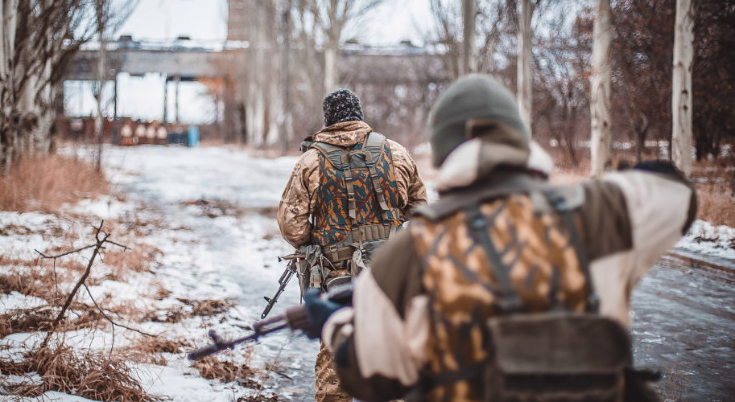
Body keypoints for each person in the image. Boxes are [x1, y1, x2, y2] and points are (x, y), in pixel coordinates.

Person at [304, 74, 697, 402]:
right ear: (519, 136)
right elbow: (678, 195)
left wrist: (337, 326)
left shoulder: (406, 257)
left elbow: (373, 377)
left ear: (444, 152)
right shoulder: (603, 209)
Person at [278, 88, 428, 402]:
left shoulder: (310, 161)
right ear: (359, 115)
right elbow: (420, 207)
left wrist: (320, 239)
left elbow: (293, 227)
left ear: (328, 119)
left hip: (336, 275)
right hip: (391, 272)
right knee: (397, 348)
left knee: (334, 350)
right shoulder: (396, 152)